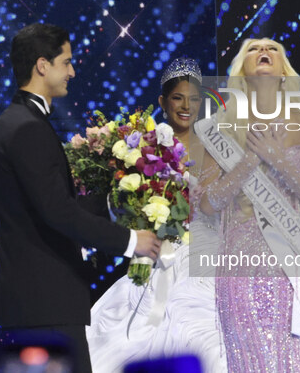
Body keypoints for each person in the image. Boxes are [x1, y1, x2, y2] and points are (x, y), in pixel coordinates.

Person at [0, 23, 161, 373]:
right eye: (66, 62)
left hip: (39, 304)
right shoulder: (26, 127)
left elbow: (46, 204)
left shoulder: (20, 121)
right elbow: (57, 212)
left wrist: (113, 201)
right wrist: (131, 240)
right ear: (42, 66)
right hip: (43, 305)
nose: (72, 71)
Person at [197, 38, 300, 372]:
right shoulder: (220, 127)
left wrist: (279, 160)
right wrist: (249, 162)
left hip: (289, 265)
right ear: (241, 71)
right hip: (239, 267)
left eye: (273, 48)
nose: (263, 51)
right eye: (253, 48)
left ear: (283, 72)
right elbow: (206, 203)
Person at [86, 58, 227, 373]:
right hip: (158, 254)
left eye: (193, 98)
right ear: (164, 102)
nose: (186, 106)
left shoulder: (218, 148)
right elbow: (124, 205)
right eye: (178, 98)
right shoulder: (146, 146)